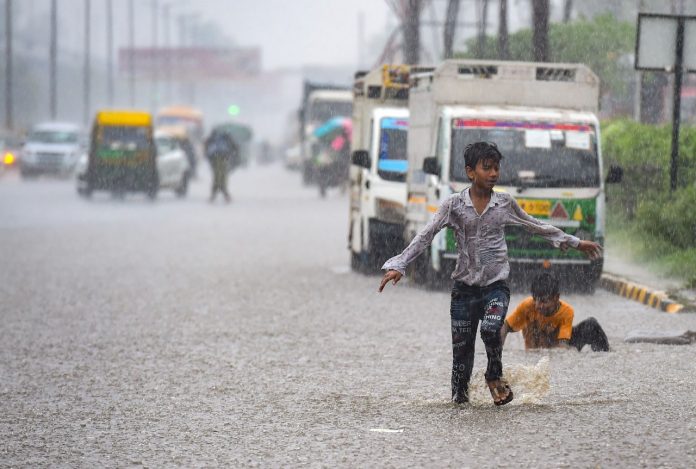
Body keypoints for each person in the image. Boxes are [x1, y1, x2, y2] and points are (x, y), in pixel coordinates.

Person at [378, 141, 602, 406]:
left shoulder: (504, 204)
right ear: (470, 172)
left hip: (495, 287)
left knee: (491, 327)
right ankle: (459, 406)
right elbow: (426, 235)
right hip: (463, 291)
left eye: (496, 168)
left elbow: (536, 226)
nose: (494, 173)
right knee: (461, 359)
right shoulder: (454, 205)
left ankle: (494, 375)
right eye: (487, 168)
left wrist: (576, 243)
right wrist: (399, 265)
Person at [501, 272, 610, 352]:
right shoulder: (527, 306)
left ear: (556, 298)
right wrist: (496, 352)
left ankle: (605, 354)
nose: (539, 306)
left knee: (591, 324)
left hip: (556, 348)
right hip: (534, 355)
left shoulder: (566, 312)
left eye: (544, 301)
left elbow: (562, 346)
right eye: (536, 300)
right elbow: (505, 326)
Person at [204, 131, 237, 203]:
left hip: (215, 158)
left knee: (217, 175)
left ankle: (216, 192)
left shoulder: (213, 139)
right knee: (222, 175)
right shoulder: (225, 138)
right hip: (223, 157)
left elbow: (206, 147)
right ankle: (223, 192)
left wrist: (208, 157)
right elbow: (234, 148)